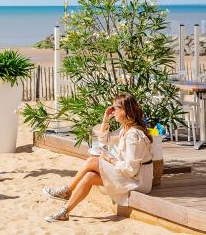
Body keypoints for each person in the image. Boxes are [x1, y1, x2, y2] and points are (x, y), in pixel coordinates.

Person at [42, 93, 153, 222]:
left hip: (138, 181)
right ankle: (65, 211)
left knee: (92, 161)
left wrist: (109, 159)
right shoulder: (125, 129)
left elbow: (130, 169)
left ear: (124, 111)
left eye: (115, 108)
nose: (113, 111)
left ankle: (67, 191)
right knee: (89, 176)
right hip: (131, 176)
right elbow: (105, 139)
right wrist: (106, 118)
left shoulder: (133, 135)